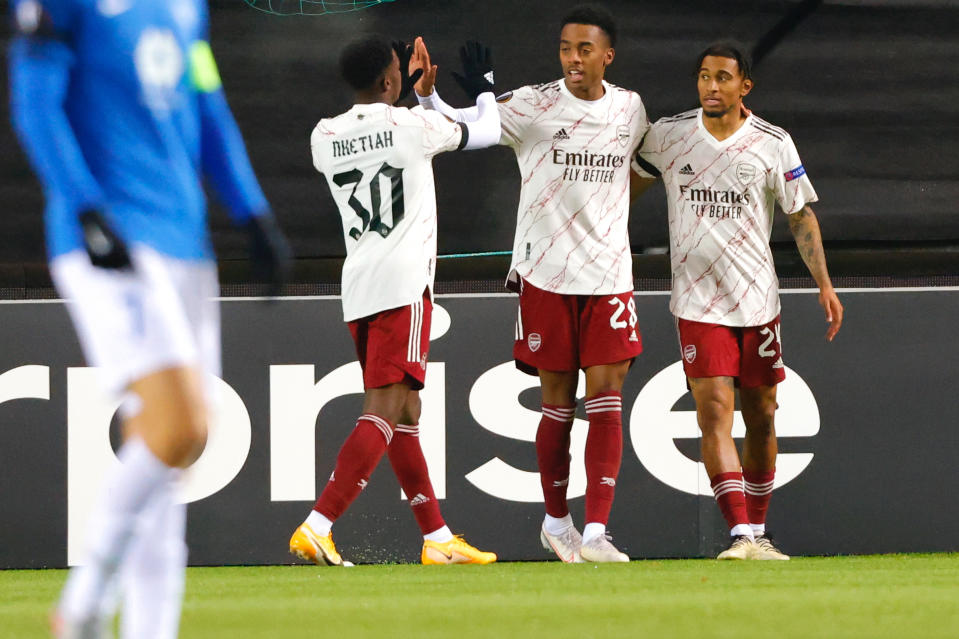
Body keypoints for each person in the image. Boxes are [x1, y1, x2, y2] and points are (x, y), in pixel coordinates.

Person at [9, 0, 290, 635]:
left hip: (185, 242)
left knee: (175, 451)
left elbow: (206, 102)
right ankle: (81, 606)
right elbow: (35, 101)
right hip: (113, 236)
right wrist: (83, 205)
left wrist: (251, 210)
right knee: (180, 422)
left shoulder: (187, 8)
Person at [415, 4, 649, 563]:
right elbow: (463, 130)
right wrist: (428, 95)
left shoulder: (630, 109)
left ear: (607, 56)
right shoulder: (535, 103)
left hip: (610, 274)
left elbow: (641, 170)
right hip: (546, 272)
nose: (572, 57)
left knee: (608, 401)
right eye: (566, 47)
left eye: (584, 49)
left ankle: (595, 534)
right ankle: (555, 522)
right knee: (556, 405)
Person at [288, 34, 501, 566]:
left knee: (406, 409)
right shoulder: (411, 125)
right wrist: (477, 89)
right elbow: (489, 130)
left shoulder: (324, 135)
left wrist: (413, 95)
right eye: (396, 75)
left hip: (359, 284)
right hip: (405, 285)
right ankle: (319, 523)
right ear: (391, 82)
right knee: (383, 408)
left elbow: (370, 135)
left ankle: (437, 538)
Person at [631, 41, 843, 560]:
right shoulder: (669, 136)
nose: (711, 87)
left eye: (722, 78)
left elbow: (800, 217)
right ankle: (740, 534)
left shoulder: (772, 143)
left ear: (744, 86)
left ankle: (760, 530)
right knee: (713, 412)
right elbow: (626, 184)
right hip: (698, 303)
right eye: (704, 76)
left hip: (757, 302)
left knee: (763, 415)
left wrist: (824, 283)